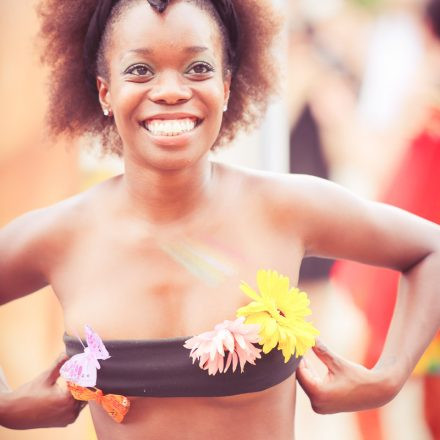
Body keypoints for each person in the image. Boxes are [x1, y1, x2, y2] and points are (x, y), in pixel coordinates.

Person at [0, 0, 439, 439]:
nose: (170, 90)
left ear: (227, 85)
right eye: (140, 70)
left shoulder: (286, 208)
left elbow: (430, 249)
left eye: (197, 68)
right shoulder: (61, 236)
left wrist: (389, 376)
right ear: (104, 91)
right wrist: (5, 405)